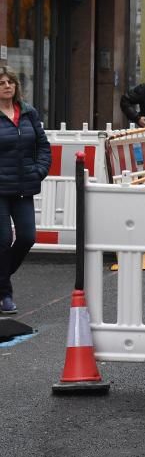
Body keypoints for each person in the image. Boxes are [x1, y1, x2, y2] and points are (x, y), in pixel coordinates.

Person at [0, 67, 51, 315]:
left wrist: (38, 170)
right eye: (1, 83)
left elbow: (43, 145)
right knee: (2, 241)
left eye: (10, 82)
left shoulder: (28, 113)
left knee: (27, 237)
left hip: (23, 186)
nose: (7, 86)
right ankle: (5, 294)